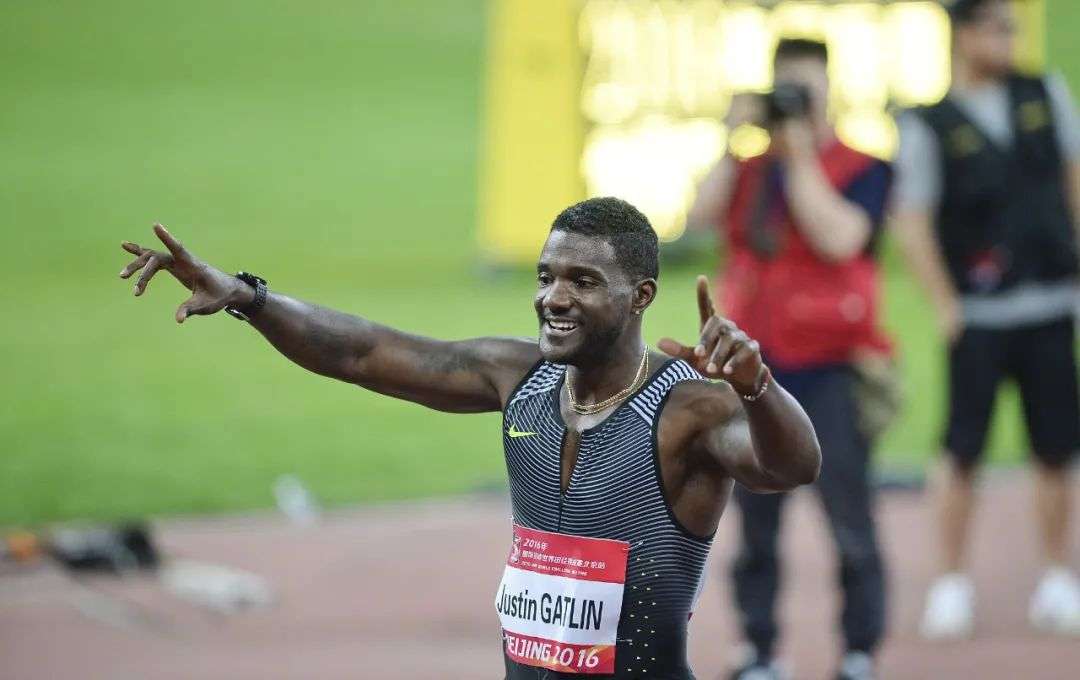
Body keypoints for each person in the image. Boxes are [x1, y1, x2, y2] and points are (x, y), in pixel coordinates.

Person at [117, 197, 821, 679]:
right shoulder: (520, 377)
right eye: (546, 276)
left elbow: (793, 465)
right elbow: (363, 353)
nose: (553, 298)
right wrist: (250, 298)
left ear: (640, 296)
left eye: (582, 281)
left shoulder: (689, 410)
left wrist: (756, 386)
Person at [688, 39, 894, 680]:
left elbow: (840, 238)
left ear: (831, 89)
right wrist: (731, 141)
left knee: (849, 519)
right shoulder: (751, 169)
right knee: (754, 522)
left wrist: (801, 158)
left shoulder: (863, 167)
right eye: (785, 90)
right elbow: (696, 220)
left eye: (806, 88)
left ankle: (858, 652)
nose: (795, 103)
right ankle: (758, 651)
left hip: (831, 368)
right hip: (753, 368)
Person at [893, 0, 1080, 640]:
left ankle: (1058, 577)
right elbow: (912, 220)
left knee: (1055, 447)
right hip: (979, 314)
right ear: (965, 35)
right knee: (961, 450)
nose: (1009, 38)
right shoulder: (929, 123)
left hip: (1050, 305)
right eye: (998, 27)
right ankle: (950, 584)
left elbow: (1073, 181)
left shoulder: (1043, 93)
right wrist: (946, 303)